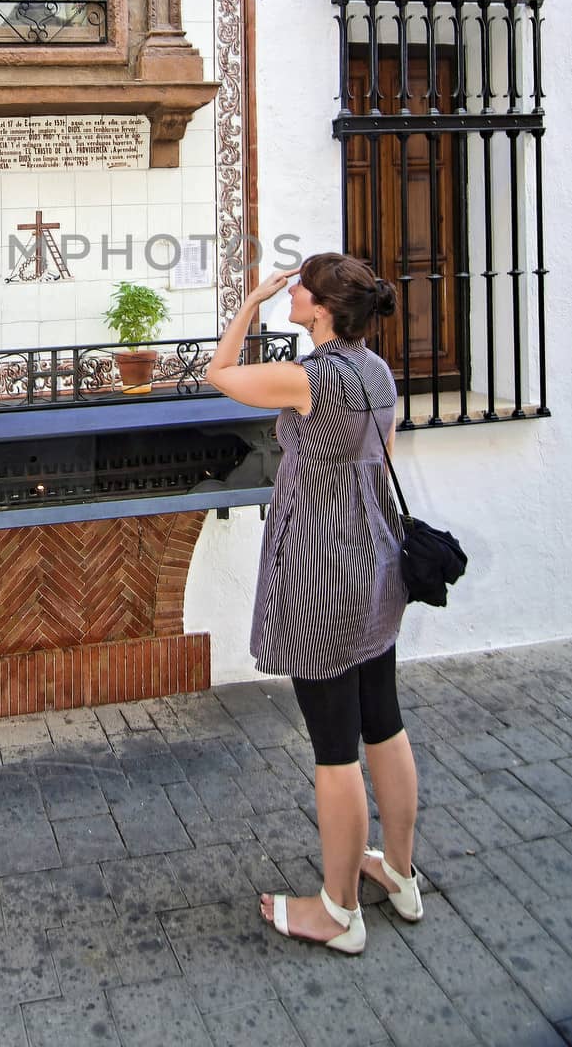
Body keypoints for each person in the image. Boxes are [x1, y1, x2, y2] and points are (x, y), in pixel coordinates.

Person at [205, 252, 422, 955]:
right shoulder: (375, 370)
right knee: (381, 721)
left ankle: (337, 912)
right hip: (375, 561)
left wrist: (248, 303)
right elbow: (377, 453)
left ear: (320, 309)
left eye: (297, 287)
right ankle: (395, 869)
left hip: (322, 573)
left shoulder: (309, 378)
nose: (289, 292)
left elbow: (218, 375)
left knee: (334, 749)